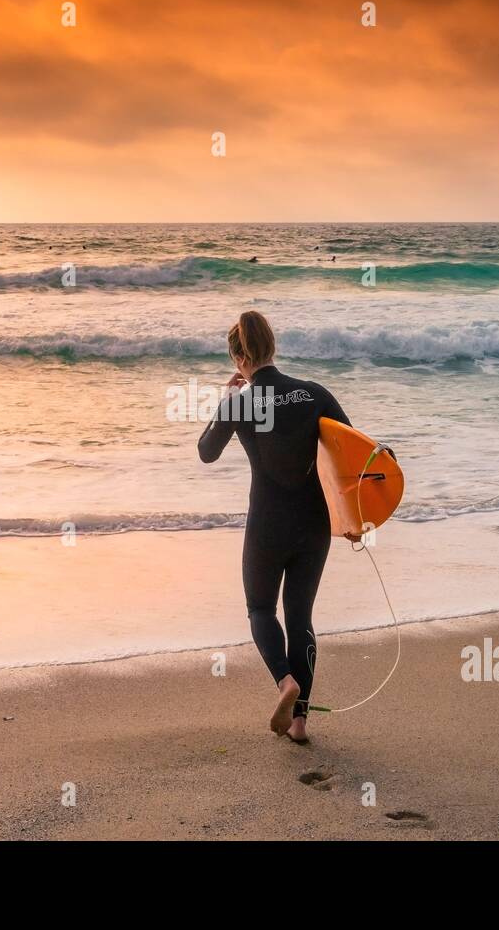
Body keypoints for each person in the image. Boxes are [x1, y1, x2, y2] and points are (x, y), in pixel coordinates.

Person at [198, 311, 349, 744]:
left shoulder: (241, 402)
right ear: (273, 346)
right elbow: (350, 453)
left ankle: (285, 682)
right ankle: (300, 722)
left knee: (261, 610)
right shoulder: (313, 393)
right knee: (300, 615)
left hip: (267, 521)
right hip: (313, 522)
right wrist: (356, 519)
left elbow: (206, 451)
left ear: (238, 356)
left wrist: (227, 402)